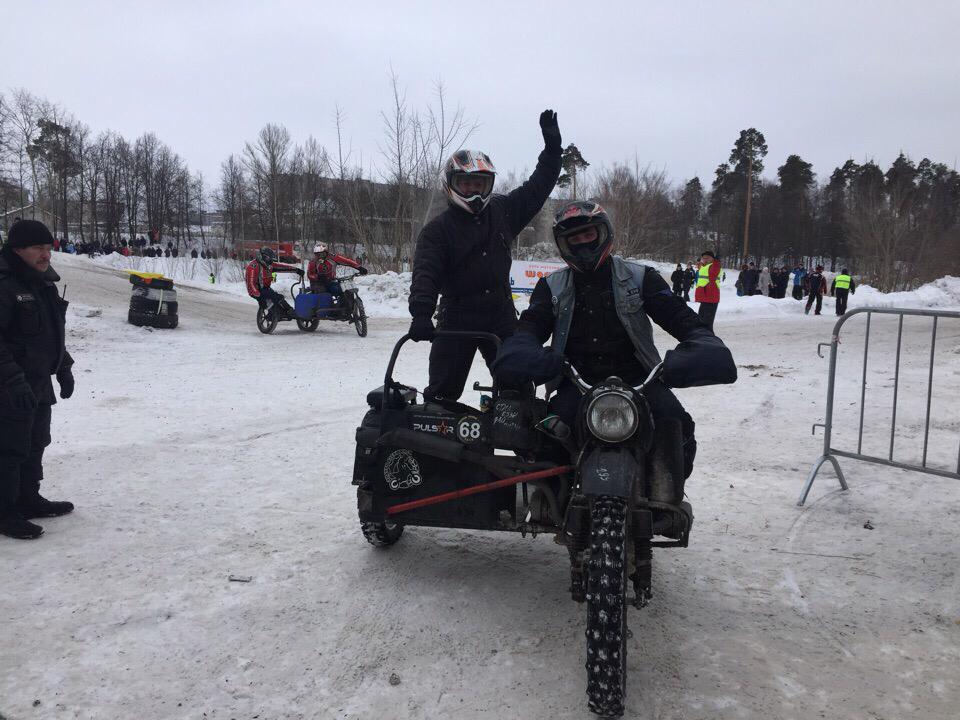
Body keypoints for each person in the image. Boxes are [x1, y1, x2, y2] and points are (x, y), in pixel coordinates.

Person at [491, 200, 736, 494]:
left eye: (588, 235)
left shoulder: (640, 277)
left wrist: (702, 341)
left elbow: (679, 316)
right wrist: (522, 349)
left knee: (676, 423)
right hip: (576, 382)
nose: (582, 243)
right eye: (574, 239)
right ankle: (549, 502)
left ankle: (665, 497)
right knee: (548, 435)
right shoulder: (552, 286)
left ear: (603, 233)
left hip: (639, 381)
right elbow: (530, 325)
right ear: (563, 244)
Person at [407, 109, 563, 401]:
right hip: (456, 316)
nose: (473, 191)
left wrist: (553, 151)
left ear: (488, 185)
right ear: (452, 185)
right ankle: (440, 443)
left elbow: (536, 189)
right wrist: (421, 314)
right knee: (442, 392)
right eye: (466, 184)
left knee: (517, 389)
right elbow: (425, 275)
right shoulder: (437, 231)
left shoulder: (502, 212)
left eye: (479, 184)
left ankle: (517, 434)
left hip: (500, 313)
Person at [0, 220, 75, 539]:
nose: (46, 255)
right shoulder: (5, 284)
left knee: (35, 441)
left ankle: (29, 498)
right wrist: (13, 380)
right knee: (9, 448)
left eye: (48, 248)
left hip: (38, 379)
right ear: (18, 250)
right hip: (9, 383)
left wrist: (65, 366)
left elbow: (51, 330)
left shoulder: (43, 281)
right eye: (38, 249)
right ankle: (5, 511)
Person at [244, 247, 297, 319]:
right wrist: (259, 297)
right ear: (263, 257)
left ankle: (283, 312)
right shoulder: (253, 266)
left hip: (265, 288)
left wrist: (296, 270)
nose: (270, 261)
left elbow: (281, 267)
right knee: (276, 297)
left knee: (277, 298)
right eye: (269, 258)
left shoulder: (268, 265)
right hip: (257, 290)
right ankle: (288, 311)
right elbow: (250, 284)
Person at [694, 250, 722, 331]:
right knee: (701, 323)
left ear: (713, 259)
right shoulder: (705, 267)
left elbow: (713, 274)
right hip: (705, 299)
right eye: (704, 258)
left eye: (708, 258)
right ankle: (704, 339)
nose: (705, 259)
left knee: (707, 324)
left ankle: (709, 341)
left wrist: (716, 261)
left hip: (711, 299)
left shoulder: (714, 266)